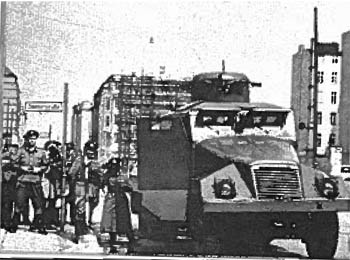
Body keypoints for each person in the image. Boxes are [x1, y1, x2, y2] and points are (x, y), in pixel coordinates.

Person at [12, 130, 48, 234]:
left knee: (38, 205)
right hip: (23, 181)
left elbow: (45, 166)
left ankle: (38, 225)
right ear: (27, 139)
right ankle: (14, 225)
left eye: (33, 139)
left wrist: (39, 169)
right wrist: (21, 167)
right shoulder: (21, 151)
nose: (32, 141)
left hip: (35, 182)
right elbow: (13, 163)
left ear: (36, 140)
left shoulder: (41, 153)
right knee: (19, 204)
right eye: (30, 139)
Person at [100, 143, 134, 254]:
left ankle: (117, 240)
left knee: (118, 220)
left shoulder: (113, 176)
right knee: (114, 220)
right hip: (115, 198)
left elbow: (128, 186)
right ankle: (116, 240)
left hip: (116, 199)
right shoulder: (114, 176)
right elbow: (127, 186)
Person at [67, 148, 87, 243]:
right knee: (80, 209)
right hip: (83, 185)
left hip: (78, 186)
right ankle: (81, 230)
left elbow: (71, 172)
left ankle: (78, 232)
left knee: (78, 209)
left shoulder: (77, 161)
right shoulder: (84, 160)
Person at [42, 140, 63, 229]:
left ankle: (54, 220)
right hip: (48, 182)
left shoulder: (59, 159)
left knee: (54, 202)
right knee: (48, 201)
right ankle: (46, 221)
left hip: (55, 183)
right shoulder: (47, 159)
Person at [84, 141, 103, 227]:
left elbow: (100, 174)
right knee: (87, 202)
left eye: (93, 151)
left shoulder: (96, 163)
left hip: (94, 185)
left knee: (94, 202)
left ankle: (89, 218)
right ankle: (87, 220)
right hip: (86, 184)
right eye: (89, 151)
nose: (91, 153)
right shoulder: (83, 161)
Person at [1, 144, 19, 232]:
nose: (13, 151)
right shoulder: (5, 157)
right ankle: (6, 222)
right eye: (11, 149)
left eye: (15, 150)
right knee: (6, 204)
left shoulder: (18, 158)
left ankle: (14, 223)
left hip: (16, 183)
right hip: (6, 183)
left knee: (16, 205)